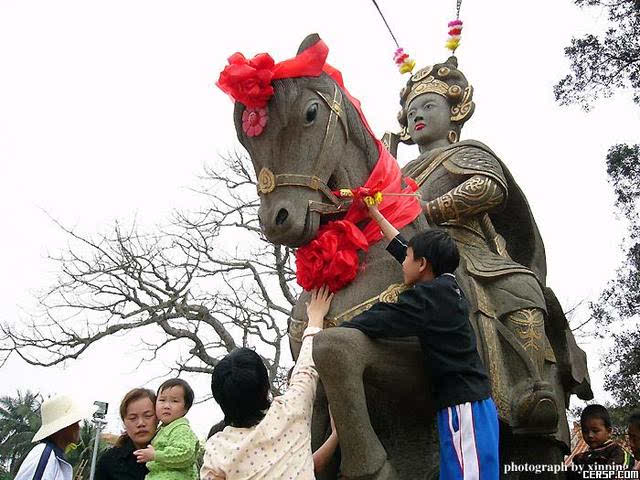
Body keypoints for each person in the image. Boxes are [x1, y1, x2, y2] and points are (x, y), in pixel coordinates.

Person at [339, 203, 499, 479]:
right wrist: (376, 214)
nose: (403, 263)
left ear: (423, 264)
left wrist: (335, 328)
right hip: (469, 407)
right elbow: (403, 248)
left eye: (408, 259)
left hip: (464, 410)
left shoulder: (429, 297)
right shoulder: (446, 285)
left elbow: (383, 318)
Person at [201, 287, 336, 479]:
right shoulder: (291, 409)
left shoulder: (216, 449)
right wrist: (316, 317)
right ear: (265, 387)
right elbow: (306, 368)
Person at [15, 394, 95, 480]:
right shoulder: (45, 455)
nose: (78, 428)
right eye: (75, 423)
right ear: (63, 427)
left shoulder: (52, 457)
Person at [134, 379, 199, 480]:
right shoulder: (163, 428)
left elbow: (186, 453)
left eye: (175, 401)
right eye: (162, 400)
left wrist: (155, 455)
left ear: (186, 408)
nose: (166, 406)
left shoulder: (181, 429)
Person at [95, 388, 159, 480]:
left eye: (148, 416)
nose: (141, 423)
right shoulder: (109, 461)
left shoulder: (175, 455)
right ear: (124, 423)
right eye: (133, 418)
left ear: (158, 418)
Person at [569, 404, 634, 479]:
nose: (590, 435)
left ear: (609, 431)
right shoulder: (581, 458)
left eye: (595, 431)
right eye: (585, 431)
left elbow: (614, 472)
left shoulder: (618, 452)